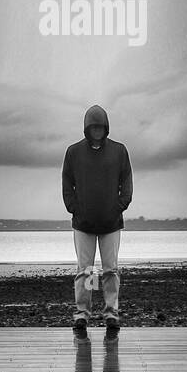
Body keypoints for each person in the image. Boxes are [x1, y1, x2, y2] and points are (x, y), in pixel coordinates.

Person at [61, 104, 133, 331]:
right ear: (87, 129)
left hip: (111, 224)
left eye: (101, 128)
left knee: (111, 270)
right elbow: (67, 183)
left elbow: (127, 181)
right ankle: (82, 313)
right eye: (93, 128)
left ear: (106, 128)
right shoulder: (74, 152)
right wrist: (74, 208)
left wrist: (119, 206)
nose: (97, 131)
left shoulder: (119, 151)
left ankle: (111, 313)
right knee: (86, 271)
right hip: (83, 224)